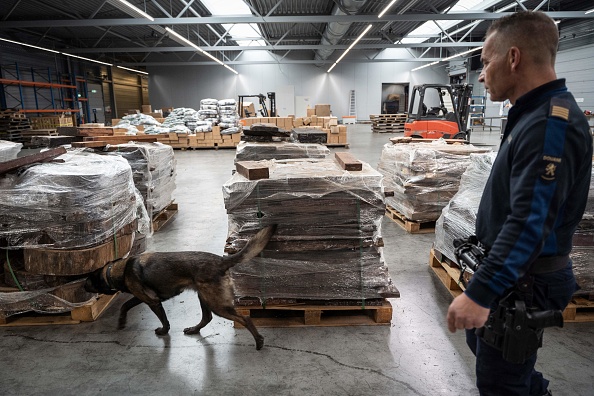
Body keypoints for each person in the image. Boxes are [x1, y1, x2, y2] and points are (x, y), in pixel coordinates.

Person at [446, 11, 592, 396]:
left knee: (501, 384)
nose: (480, 73)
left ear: (513, 58)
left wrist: (480, 293)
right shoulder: (530, 115)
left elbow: (530, 221)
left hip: (527, 281)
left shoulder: (549, 125)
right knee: (498, 363)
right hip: (513, 276)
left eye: (485, 60)